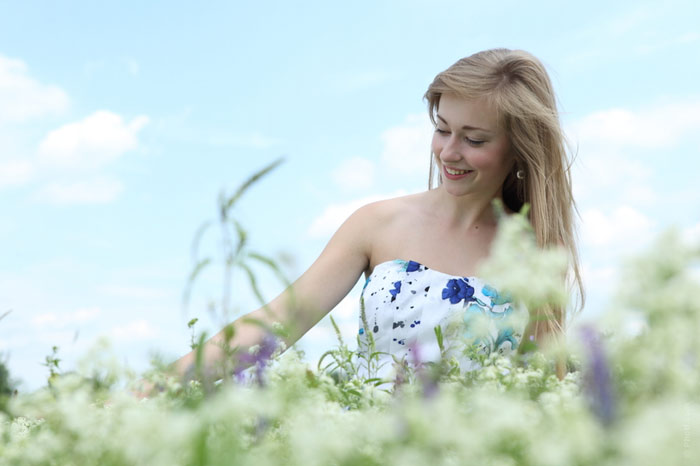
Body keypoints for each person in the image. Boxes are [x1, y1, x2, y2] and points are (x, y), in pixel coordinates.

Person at [160, 48, 584, 389]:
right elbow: (276, 323)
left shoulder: (534, 253)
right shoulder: (377, 223)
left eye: (474, 139)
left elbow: (544, 386)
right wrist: (153, 388)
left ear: (518, 147)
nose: (449, 152)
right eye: (442, 129)